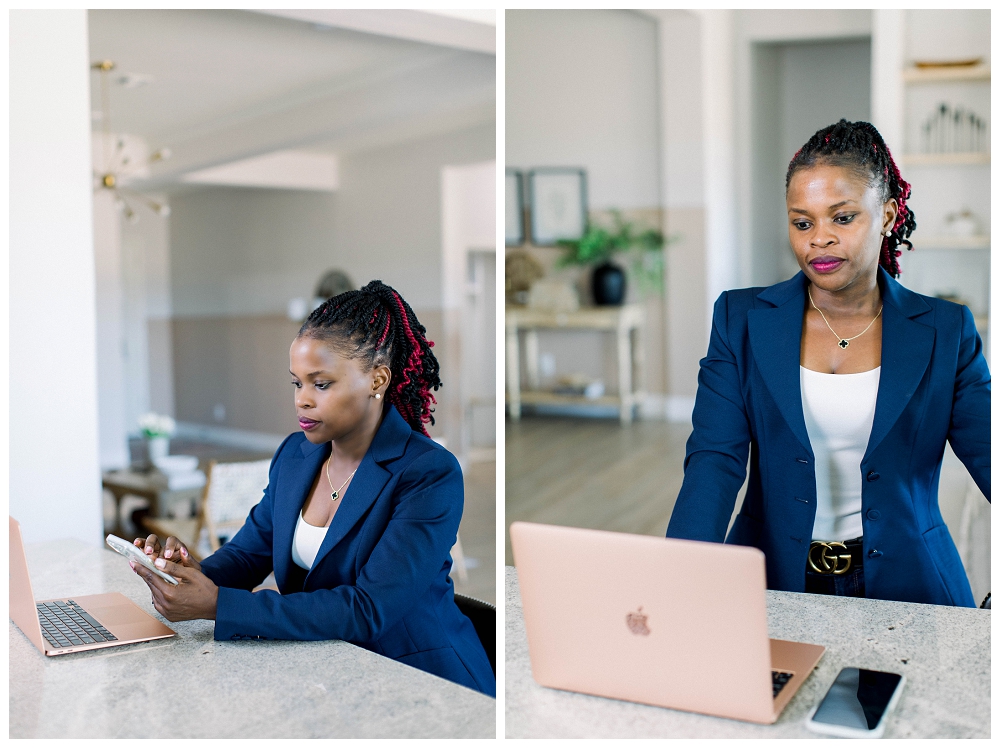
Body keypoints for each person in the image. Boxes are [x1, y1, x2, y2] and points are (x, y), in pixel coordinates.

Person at [666, 119, 989, 607]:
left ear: (887, 213)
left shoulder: (947, 330)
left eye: (842, 218)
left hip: (912, 582)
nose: (819, 238)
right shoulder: (741, 319)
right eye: (803, 222)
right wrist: (675, 577)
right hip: (770, 578)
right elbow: (715, 459)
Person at [130, 280, 495, 696]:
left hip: (421, 683)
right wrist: (187, 575)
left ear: (377, 380)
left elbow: (367, 609)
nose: (302, 400)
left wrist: (217, 605)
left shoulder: (428, 472)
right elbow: (249, 553)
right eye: (296, 383)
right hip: (329, 672)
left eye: (320, 384)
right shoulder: (295, 456)